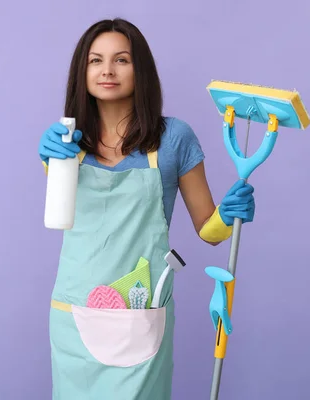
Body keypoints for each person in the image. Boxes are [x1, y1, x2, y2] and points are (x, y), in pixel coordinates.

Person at [38, 18, 255, 399]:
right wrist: (49, 157)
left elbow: (209, 230)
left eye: (121, 59)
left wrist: (229, 214)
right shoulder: (67, 141)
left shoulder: (173, 139)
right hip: (74, 314)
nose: (107, 70)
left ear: (142, 70)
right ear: (81, 72)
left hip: (142, 315)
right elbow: (60, 208)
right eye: (95, 61)